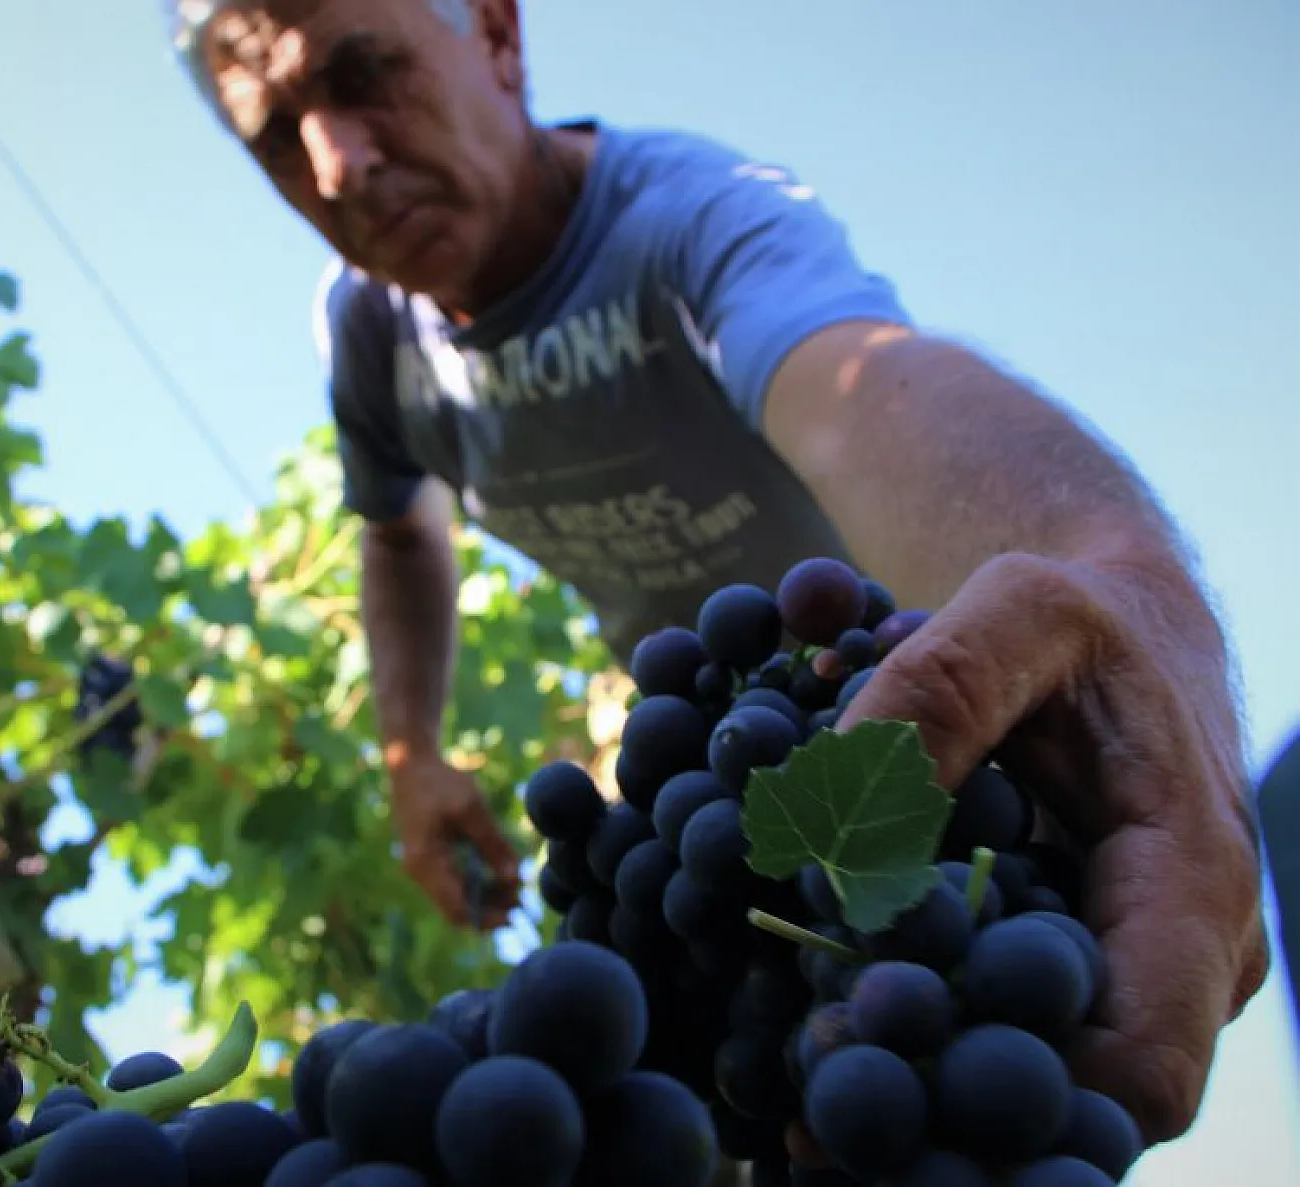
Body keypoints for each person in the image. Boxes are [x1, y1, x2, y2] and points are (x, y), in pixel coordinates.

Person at [169, 0, 1268, 1146]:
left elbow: (861, 390)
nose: (334, 162)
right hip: (696, 778)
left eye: (364, 75)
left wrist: (1117, 572)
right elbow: (397, 532)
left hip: (896, 751)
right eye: (273, 133)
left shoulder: (689, 222)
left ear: (495, 35)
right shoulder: (366, 333)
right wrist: (410, 749)